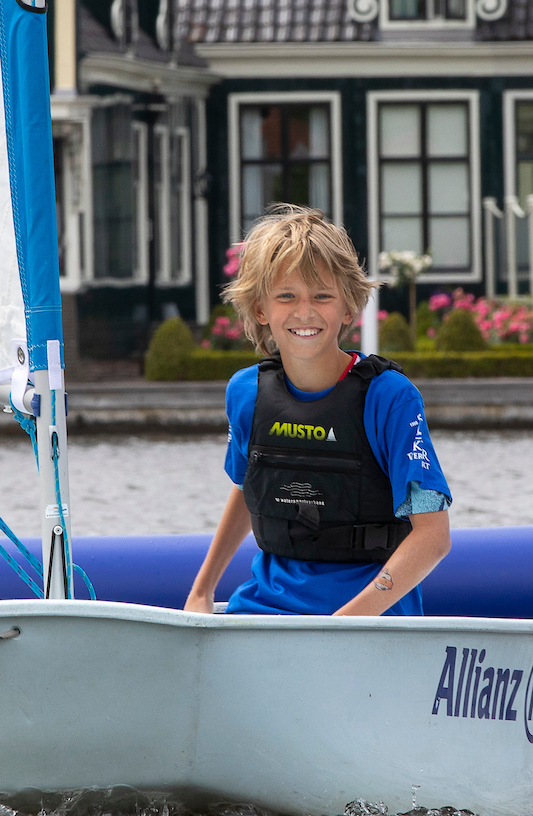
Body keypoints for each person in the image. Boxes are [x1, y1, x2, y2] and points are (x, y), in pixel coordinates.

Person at [182, 206, 453, 617]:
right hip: (262, 612)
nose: (304, 312)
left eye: (322, 296)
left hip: (369, 626)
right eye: (286, 296)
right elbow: (245, 485)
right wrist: (202, 591)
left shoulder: (390, 398)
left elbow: (433, 538)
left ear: (348, 308)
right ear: (260, 310)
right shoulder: (245, 393)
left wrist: (347, 623)